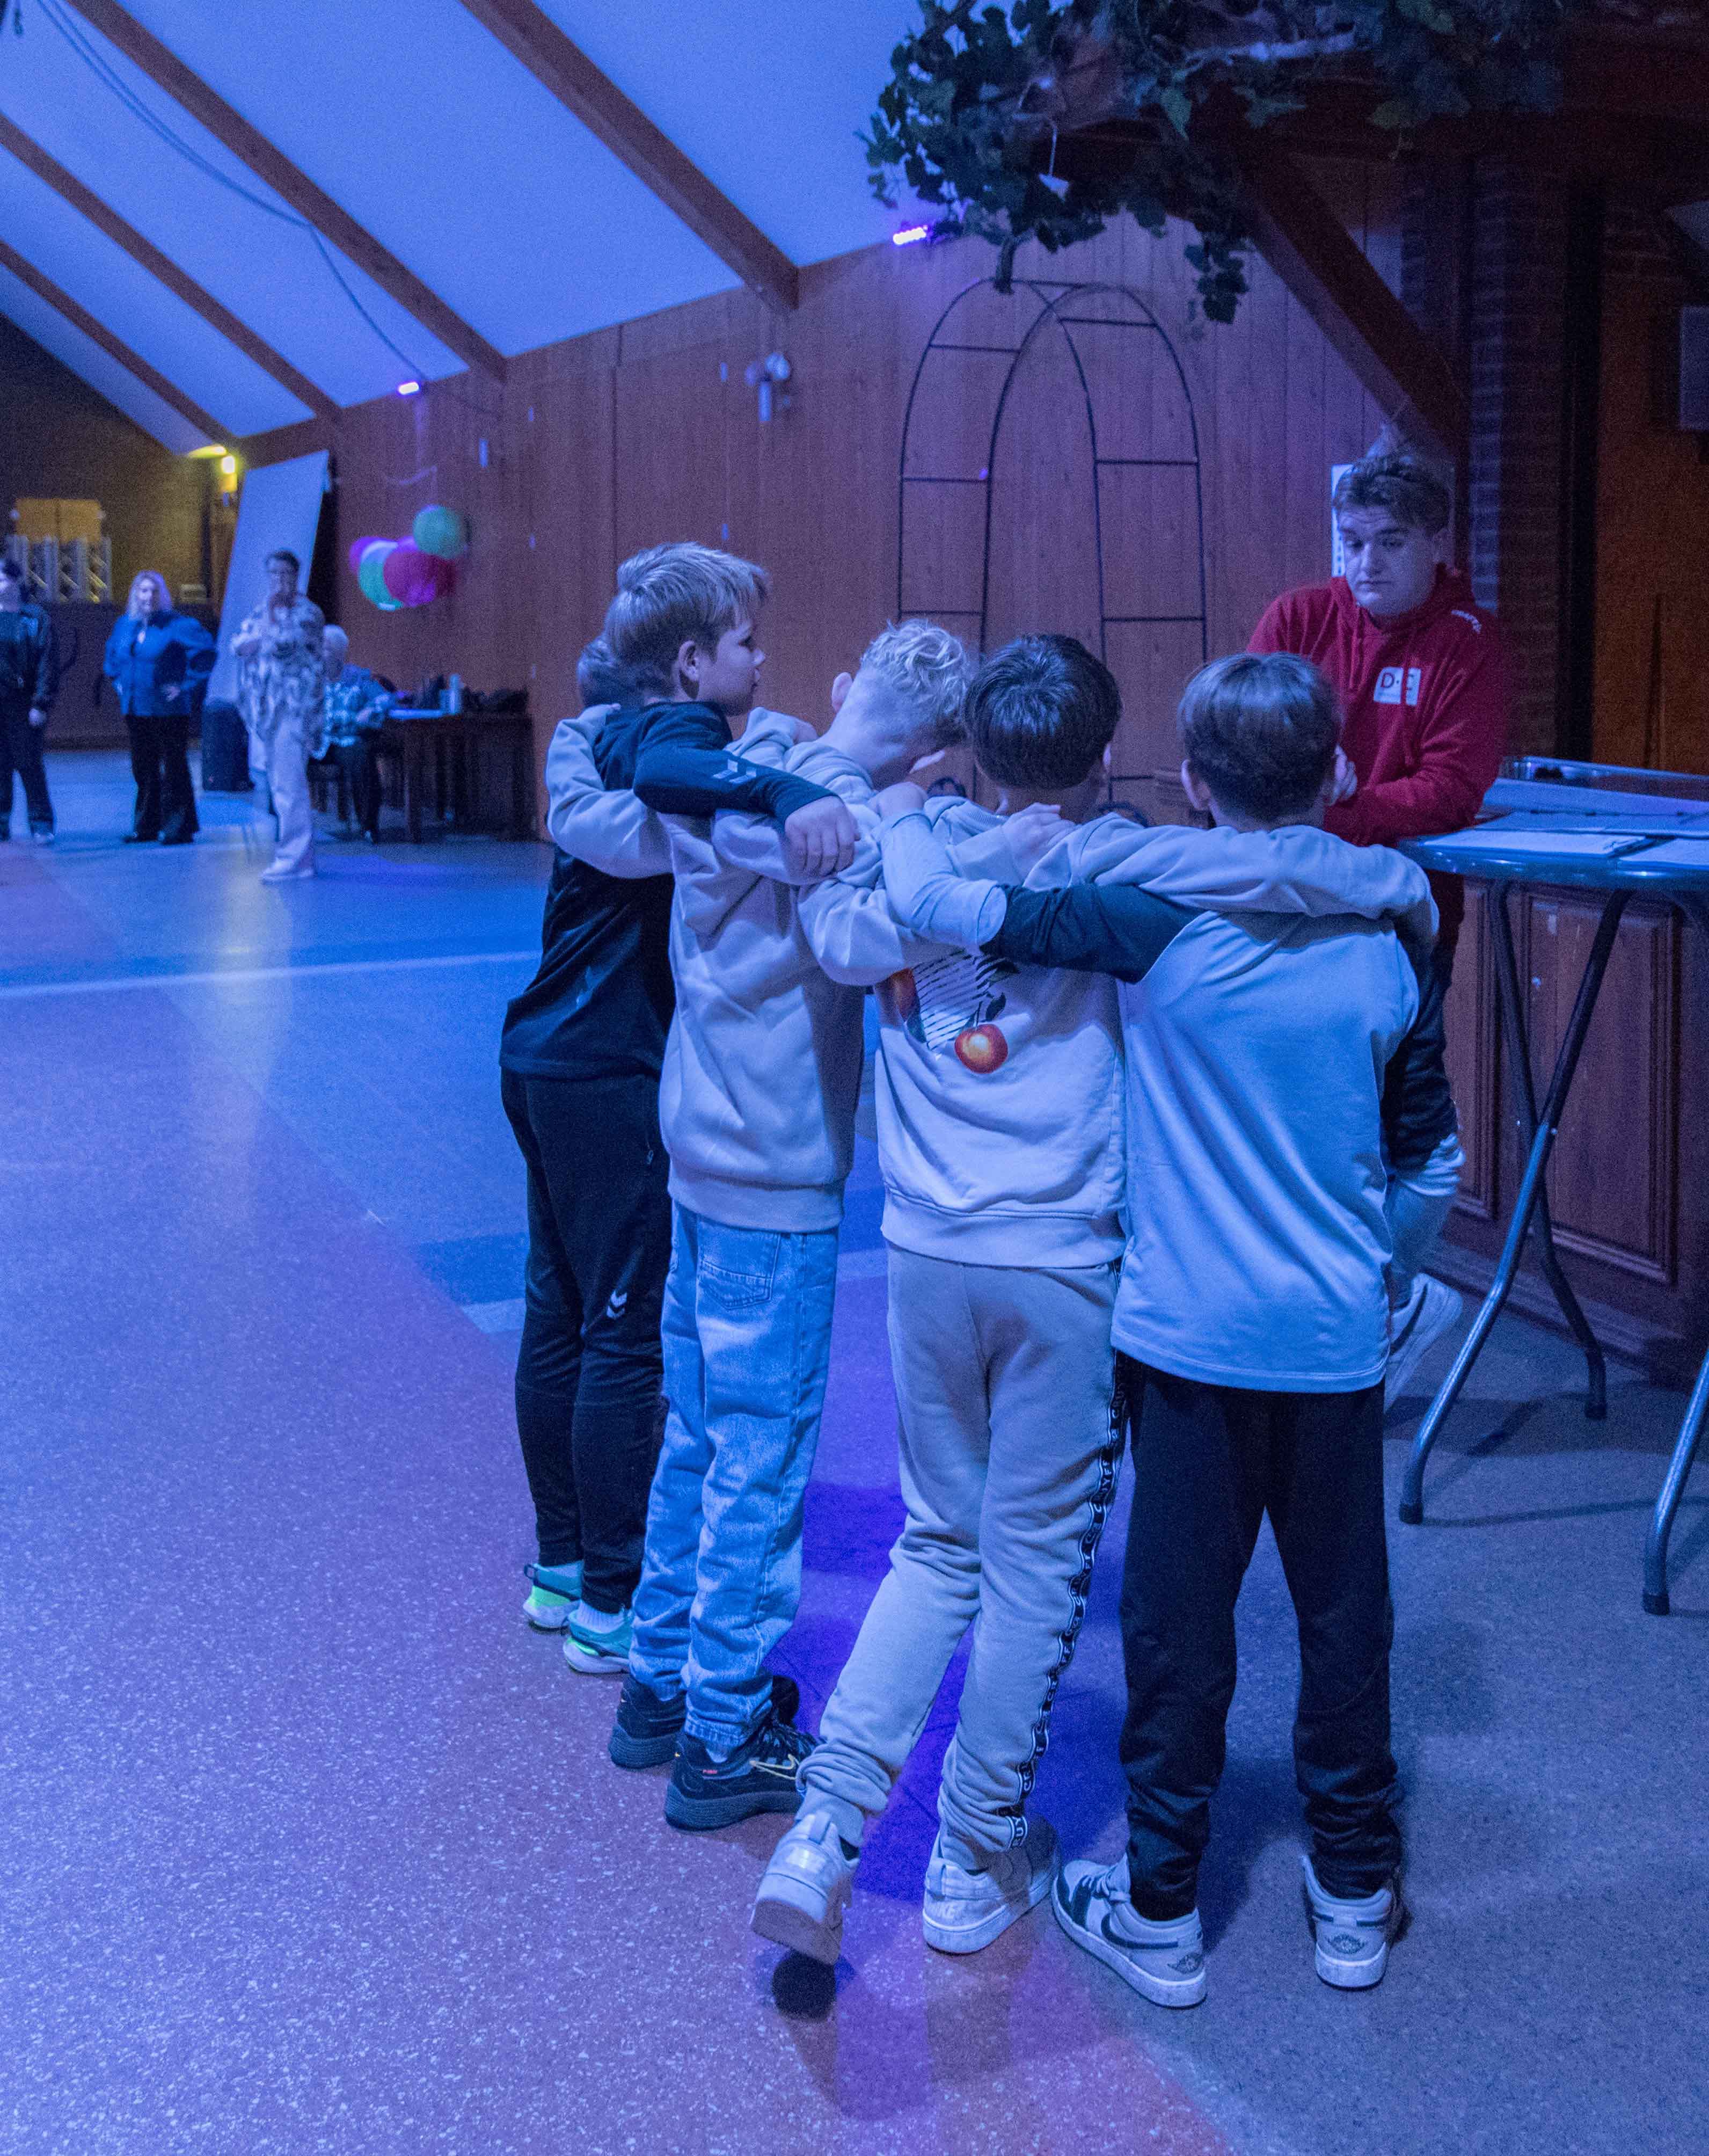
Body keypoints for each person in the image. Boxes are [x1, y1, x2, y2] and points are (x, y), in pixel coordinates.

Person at [880, 651, 1454, 2005]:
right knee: (1344, 1618)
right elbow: (1427, 1165)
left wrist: (901, 805)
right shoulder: (1388, 935)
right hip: (1329, 1343)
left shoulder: (1144, 913)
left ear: (1189, 781)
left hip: (1183, 1340)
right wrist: (1381, 1276)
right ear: (1333, 772)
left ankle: (1158, 1909)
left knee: (1175, 1629)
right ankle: (1352, 1894)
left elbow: (951, 911)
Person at [547, 569, 970, 1830]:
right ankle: (723, 1734)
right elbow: (858, 940)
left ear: (846, 685)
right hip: (775, 1174)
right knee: (760, 1459)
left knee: (695, 1433)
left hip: (696, 1147)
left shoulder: (740, 753)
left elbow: (612, 783)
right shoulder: (833, 811)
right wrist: (973, 871)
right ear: (937, 753)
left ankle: (659, 1684)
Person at [516, 554, 844, 1702]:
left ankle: (564, 1566)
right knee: (618, 1333)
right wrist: (798, 785)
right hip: (607, 1064)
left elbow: (611, 804)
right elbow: (658, 816)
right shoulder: (675, 761)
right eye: (745, 641)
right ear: (691, 661)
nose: (763, 659)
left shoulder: (586, 737)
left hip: (542, 1051)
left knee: (561, 1309)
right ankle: (610, 1600)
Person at [1249, 444, 1504, 1399]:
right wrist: (1313, 799)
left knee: (1410, 1146)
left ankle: (1382, 1302)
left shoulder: (1468, 642)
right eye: (1351, 540)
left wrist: (1329, 809)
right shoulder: (1298, 617)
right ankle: (1328, 1313)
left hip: (1402, 924)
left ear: (1436, 543)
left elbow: (1449, 789)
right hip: (1283, 905)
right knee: (1301, 1129)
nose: (1364, 562)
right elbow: (1243, 740)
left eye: (1389, 542)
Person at [231, 548, 325, 883]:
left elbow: (284, 645)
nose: (280, 580)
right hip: (268, 710)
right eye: (274, 574)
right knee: (279, 785)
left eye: (286, 574)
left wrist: (265, 630)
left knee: (290, 786)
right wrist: (259, 634)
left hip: (295, 709)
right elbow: (239, 645)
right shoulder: (261, 610)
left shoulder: (308, 612)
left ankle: (294, 859)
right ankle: (297, 857)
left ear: (296, 576)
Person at [103, 572, 215, 846]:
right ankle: (146, 826)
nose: (148, 597)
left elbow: (206, 652)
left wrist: (185, 685)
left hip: (168, 710)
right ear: (135, 594)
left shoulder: (177, 625)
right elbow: (112, 655)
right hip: (136, 709)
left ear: (161, 595)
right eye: (143, 591)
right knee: (143, 767)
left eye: (154, 591)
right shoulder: (125, 625)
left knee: (174, 768)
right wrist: (118, 681)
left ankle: (179, 828)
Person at [0, 552, 60, 843]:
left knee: (30, 764)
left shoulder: (36, 618)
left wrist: (41, 703)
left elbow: (48, 664)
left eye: (1, 579)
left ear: (15, 581)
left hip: (23, 703)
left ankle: (41, 823)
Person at [318, 626, 393, 841]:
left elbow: (385, 699)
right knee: (286, 756)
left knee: (363, 757)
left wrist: (370, 710)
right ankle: (285, 826)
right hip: (319, 742)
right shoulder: (312, 680)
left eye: (326, 648)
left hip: (347, 741)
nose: (320, 652)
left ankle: (368, 826)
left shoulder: (358, 678)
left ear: (340, 653)